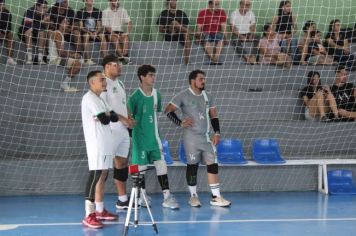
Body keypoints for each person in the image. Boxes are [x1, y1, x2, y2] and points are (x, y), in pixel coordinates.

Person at [164, 69, 231, 207]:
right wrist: (180, 122)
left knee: (212, 165)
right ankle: (193, 196)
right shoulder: (183, 95)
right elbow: (168, 110)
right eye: (201, 79)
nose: (203, 81)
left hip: (206, 138)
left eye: (204, 79)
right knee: (192, 166)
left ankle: (216, 196)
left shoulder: (208, 96)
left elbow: (214, 115)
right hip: (191, 138)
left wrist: (217, 132)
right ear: (192, 81)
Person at [128, 64, 179, 209]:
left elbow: (154, 115)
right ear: (142, 77)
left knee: (161, 165)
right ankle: (142, 196)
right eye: (150, 75)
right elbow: (129, 119)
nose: (153, 78)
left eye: (154, 75)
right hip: (140, 139)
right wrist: (132, 138)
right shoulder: (134, 97)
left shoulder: (158, 94)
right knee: (140, 168)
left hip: (155, 138)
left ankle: (167, 197)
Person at [81, 70, 118, 229]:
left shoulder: (100, 98)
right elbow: (104, 119)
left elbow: (114, 117)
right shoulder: (89, 98)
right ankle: (89, 215)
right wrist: (106, 115)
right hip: (96, 143)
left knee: (103, 174)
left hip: (105, 142)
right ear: (92, 83)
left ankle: (100, 210)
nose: (104, 82)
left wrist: (107, 115)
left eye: (104, 79)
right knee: (95, 174)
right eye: (101, 80)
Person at [100, 54, 134, 209]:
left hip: (123, 131)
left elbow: (123, 102)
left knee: (122, 163)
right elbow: (104, 109)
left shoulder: (119, 82)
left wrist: (129, 117)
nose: (120, 67)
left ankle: (122, 200)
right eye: (116, 64)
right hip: (110, 131)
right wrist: (121, 118)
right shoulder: (102, 83)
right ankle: (96, 206)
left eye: (120, 64)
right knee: (103, 168)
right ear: (107, 66)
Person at [48, 17, 82, 92]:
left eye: (68, 22)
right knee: (78, 64)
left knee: (79, 59)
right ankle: (65, 84)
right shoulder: (57, 34)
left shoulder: (60, 34)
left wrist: (73, 54)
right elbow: (61, 53)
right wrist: (72, 55)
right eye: (65, 22)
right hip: (54, 60)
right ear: (59, 24)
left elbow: (62, 52)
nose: (67, 24)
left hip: (58, 58)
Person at [157, 0, 192, 64]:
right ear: (168, 2)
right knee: (174, 22)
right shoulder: (164, 13)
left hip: (179, 34)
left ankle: (187, 61)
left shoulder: (181, 13)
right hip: (169, 34)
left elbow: (185, 27)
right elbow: (161, 29)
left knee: (186, 34)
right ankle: (194, 33)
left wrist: (177, 28)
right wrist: (170, 29)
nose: (174, 2)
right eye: (172, 0)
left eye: (175, 0)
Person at [76, 0, 108, 65]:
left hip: (96, 32)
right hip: (86, 32)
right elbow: (81, 27)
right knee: (86, 36)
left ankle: (105, 59)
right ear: (85, 1)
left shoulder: (98, 11)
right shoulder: (80, 12)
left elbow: (99, 26)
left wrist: (96, 33)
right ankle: (87, 60)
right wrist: (89, 32)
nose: (91, 1)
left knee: (102, 36)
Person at [18, 0, 50, 65]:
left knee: (42, 33)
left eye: (46, 7)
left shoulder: (46, 14)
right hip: (25, 31)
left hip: (37, 32)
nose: (46, 10)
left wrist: (47, 22)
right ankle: (29, 59)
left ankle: (40, 59)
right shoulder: (29, 11)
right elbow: (28, 25)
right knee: (29, 32)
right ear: (37, 7)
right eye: (44, 7)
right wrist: (41, 22)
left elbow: (44, 28)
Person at [196, 0, 228, 65]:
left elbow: (223, 26)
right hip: (206, 32)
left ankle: (216, 58)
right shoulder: (202, 12)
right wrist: (198, 37)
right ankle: (212, 58)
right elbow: (199, 27)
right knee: (206, 39)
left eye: (218, 4)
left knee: (221, 39)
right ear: (210, 5)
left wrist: (226, 37)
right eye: (216, 4)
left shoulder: (221, 12)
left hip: (217, 33)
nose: (218, 6)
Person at [230, 0, 258, 64]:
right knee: (235, 40)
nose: (248, 7)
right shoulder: (234, 13)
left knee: (258, 38)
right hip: (238, 34)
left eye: (249, 5)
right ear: (241, 5)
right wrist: (240, 36)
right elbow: (232, 28)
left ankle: (253, 57)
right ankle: (247, 57)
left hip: (248, 33)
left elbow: (253, 26)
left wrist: (252, 34)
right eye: (247, 5)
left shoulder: (251, 13)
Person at [0, 0, 16, 65]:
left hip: (2, 32)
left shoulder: (7, 12)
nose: (2, 6)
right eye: (0, 4)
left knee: (10, 34)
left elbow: (8, 25)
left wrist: (4, 31)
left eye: (3, 4)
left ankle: (10, 59)